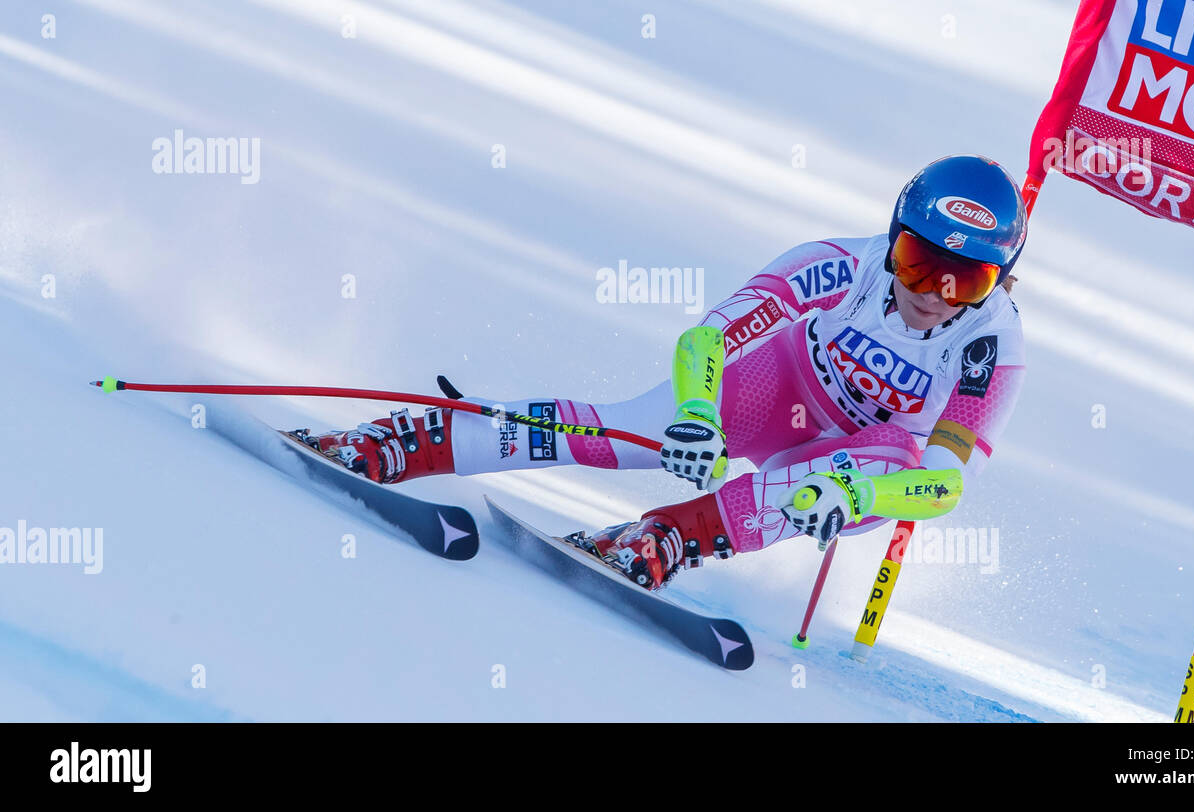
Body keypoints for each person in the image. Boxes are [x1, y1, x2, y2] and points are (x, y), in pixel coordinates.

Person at [303, 154, 1028, 590]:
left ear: (999, 283)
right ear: (892, 236)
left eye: (966, 280)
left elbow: (943, 485)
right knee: (631, 435)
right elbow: (707, 338)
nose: (934, 293)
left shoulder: (991, 350)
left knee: (855, 479)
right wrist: (697, 413)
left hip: (856, 459)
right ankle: (417, 437)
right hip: (780, 389)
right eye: (919, 261)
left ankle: (667, 539)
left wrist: (862, 488)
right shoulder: (841, 265)